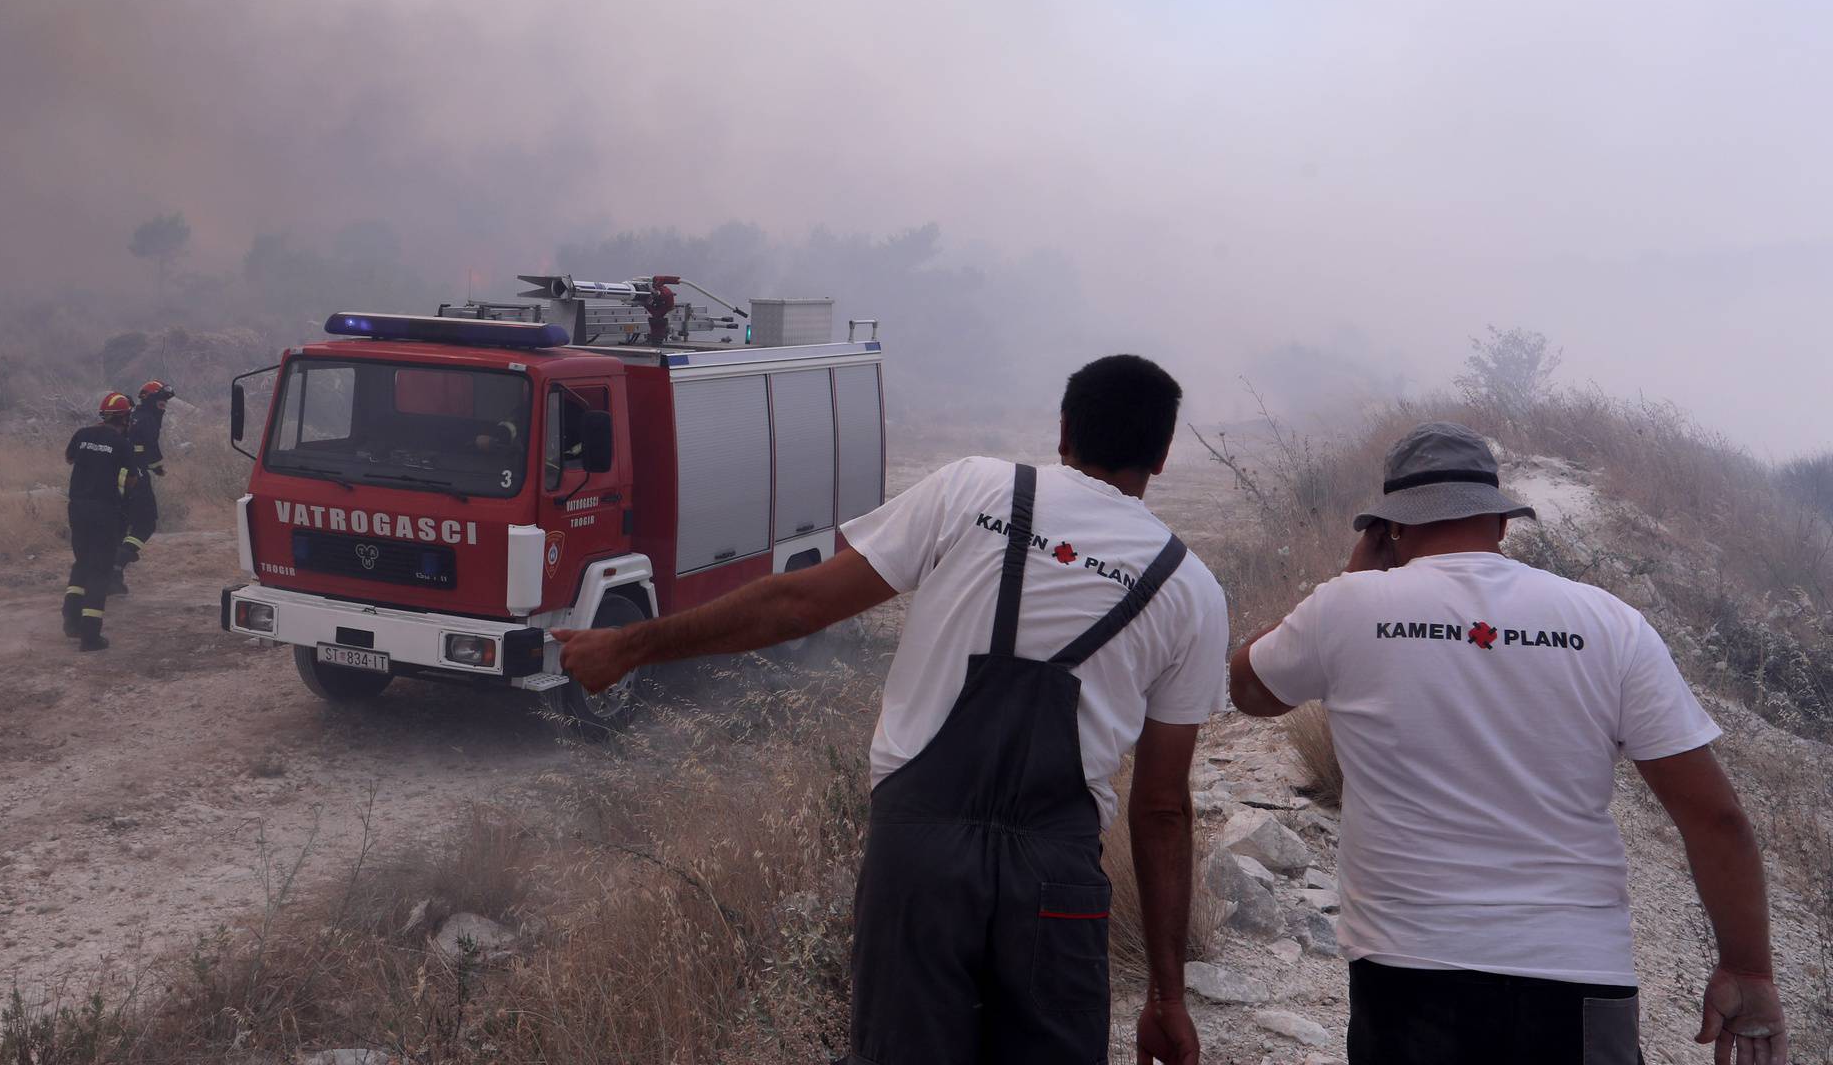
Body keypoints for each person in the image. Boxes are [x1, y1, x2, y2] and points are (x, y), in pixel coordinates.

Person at [556, 355, 1227, 1065]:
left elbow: (797, 603)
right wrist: (1166, 997)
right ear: (1161, 455)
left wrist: (629, 645)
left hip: (919, 860)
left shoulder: (974, 489)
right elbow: (1161, 808)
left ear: (1063, 431)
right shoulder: (1190, 590)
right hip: (1055, 883)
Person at [1228, 421, 1787, 1065]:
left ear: (1390, 527)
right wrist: (1749, 970)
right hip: (1579, 970)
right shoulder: (1609, 622)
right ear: (1500, 523)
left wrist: (1350, 580)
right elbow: (1715, 816)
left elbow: (1251, 691)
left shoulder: (1346, 606)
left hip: (1407, 969)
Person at [63, 392, 138, 652]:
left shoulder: (82, 435)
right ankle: (90, 637)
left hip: (78, 509)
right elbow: (131, 480)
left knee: (82, 563)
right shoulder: (122, 444)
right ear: (125, 417)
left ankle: (71, 622)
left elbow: (70, 459)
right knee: (100, 570)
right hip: (104, 512)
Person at [113, 379, 174, 591]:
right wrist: (156, 467)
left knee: (123, 524)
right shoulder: (147, 419)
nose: (163, 404)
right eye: (160, 399)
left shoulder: (134, 417)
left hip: (117, 476)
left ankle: (113, 578)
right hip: (135, 475)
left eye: (166, 401)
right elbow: (150, 446)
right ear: (149, 399)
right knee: (146, 523)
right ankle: (118, 562)